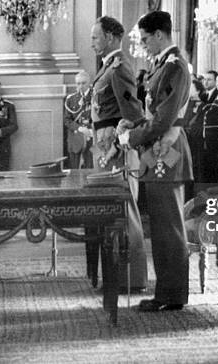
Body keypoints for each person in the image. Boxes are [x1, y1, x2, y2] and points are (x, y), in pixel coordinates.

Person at [118, 10, 192, 312]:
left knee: (169, 227)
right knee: (161, 225)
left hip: (167, 151)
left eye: (146, 39)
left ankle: (172, 296)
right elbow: (154, 114)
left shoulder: (175, 67)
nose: (144, 45)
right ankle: (166, 292)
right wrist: (133, 127)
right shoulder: (163, 65)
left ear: (159, 35)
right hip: (158, 150)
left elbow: (164, 120)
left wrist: (131, 138)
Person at [89, 15, 147, 290]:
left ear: (111, 38)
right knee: (108, 211)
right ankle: (114, 275)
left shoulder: (121, 66)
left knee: (123, 210)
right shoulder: (109, 66)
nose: (92, 43)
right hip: (104, 145)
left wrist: (116, 145)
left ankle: (131, 279)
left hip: (115, 149)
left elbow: (133, 114)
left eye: (95, 37)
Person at [64, 71, 93, 169]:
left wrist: (92, 130)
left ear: (89, 83)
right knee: (75, 169)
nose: (81, 86)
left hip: (91, 137)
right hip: (76, 138)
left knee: (90, 168)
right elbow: (67, 120)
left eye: (84, 83)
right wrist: (79, 128)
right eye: (78, 83)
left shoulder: (96, 97)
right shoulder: (71, 99)